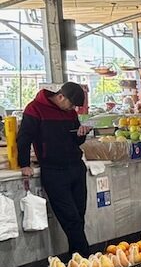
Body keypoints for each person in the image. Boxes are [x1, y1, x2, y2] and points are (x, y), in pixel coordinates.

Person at [16, 82, 91, 256]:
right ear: (60, 96)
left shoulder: (70, 112)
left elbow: (75, 139)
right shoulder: (35, 109)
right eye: (71, 105)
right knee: (70, 218)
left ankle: (76, 259)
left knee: (79, 216)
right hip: (54, 171)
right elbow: (24, 138)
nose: (72, 109)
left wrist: (81, 134)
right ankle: (87, 258)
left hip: (76, 167)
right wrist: (24, 164)